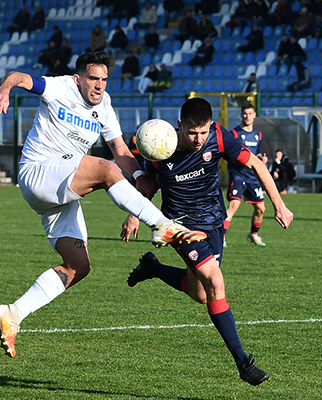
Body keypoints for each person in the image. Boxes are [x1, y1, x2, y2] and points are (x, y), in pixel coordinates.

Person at [0, 51, 207, 359]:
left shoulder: (104, 106)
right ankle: (163, 226)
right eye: (93, 78)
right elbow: (19, 78)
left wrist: (141, 175)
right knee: (104, 170)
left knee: (79, 266)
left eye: (104, 79)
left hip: (61, 188)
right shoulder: (60, 87)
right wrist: (5, 89)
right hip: (40, 171)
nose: (99, 85)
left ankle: (14, 313)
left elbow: (119, 148)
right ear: (78, 79)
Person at [120, 97, 293, 386]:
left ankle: (153, 268)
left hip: (213, 222)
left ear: (210, 126)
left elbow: (258, 167)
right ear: (179, 126)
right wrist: (133, 215)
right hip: (180, 227)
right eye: (192, 133)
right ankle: (243, 362)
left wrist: (279, 205)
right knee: (215, 282)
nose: (199, 139)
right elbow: (145, 183)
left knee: (200, 294)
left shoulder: (221, 137)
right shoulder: (161, 146)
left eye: (203, 132)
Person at [224, 103, 268, 247]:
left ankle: (253, 234)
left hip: (252, 176)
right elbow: (227, 154)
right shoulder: (234, 134)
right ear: (241, 115)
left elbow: (259, 152)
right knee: (234, 205)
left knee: (261, 208)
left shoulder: (258, 134)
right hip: (238, 174)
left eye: (250, 113)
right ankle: (221, 238)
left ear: (254, 114)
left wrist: (262, 158)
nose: (247, 116)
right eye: (244, 113)